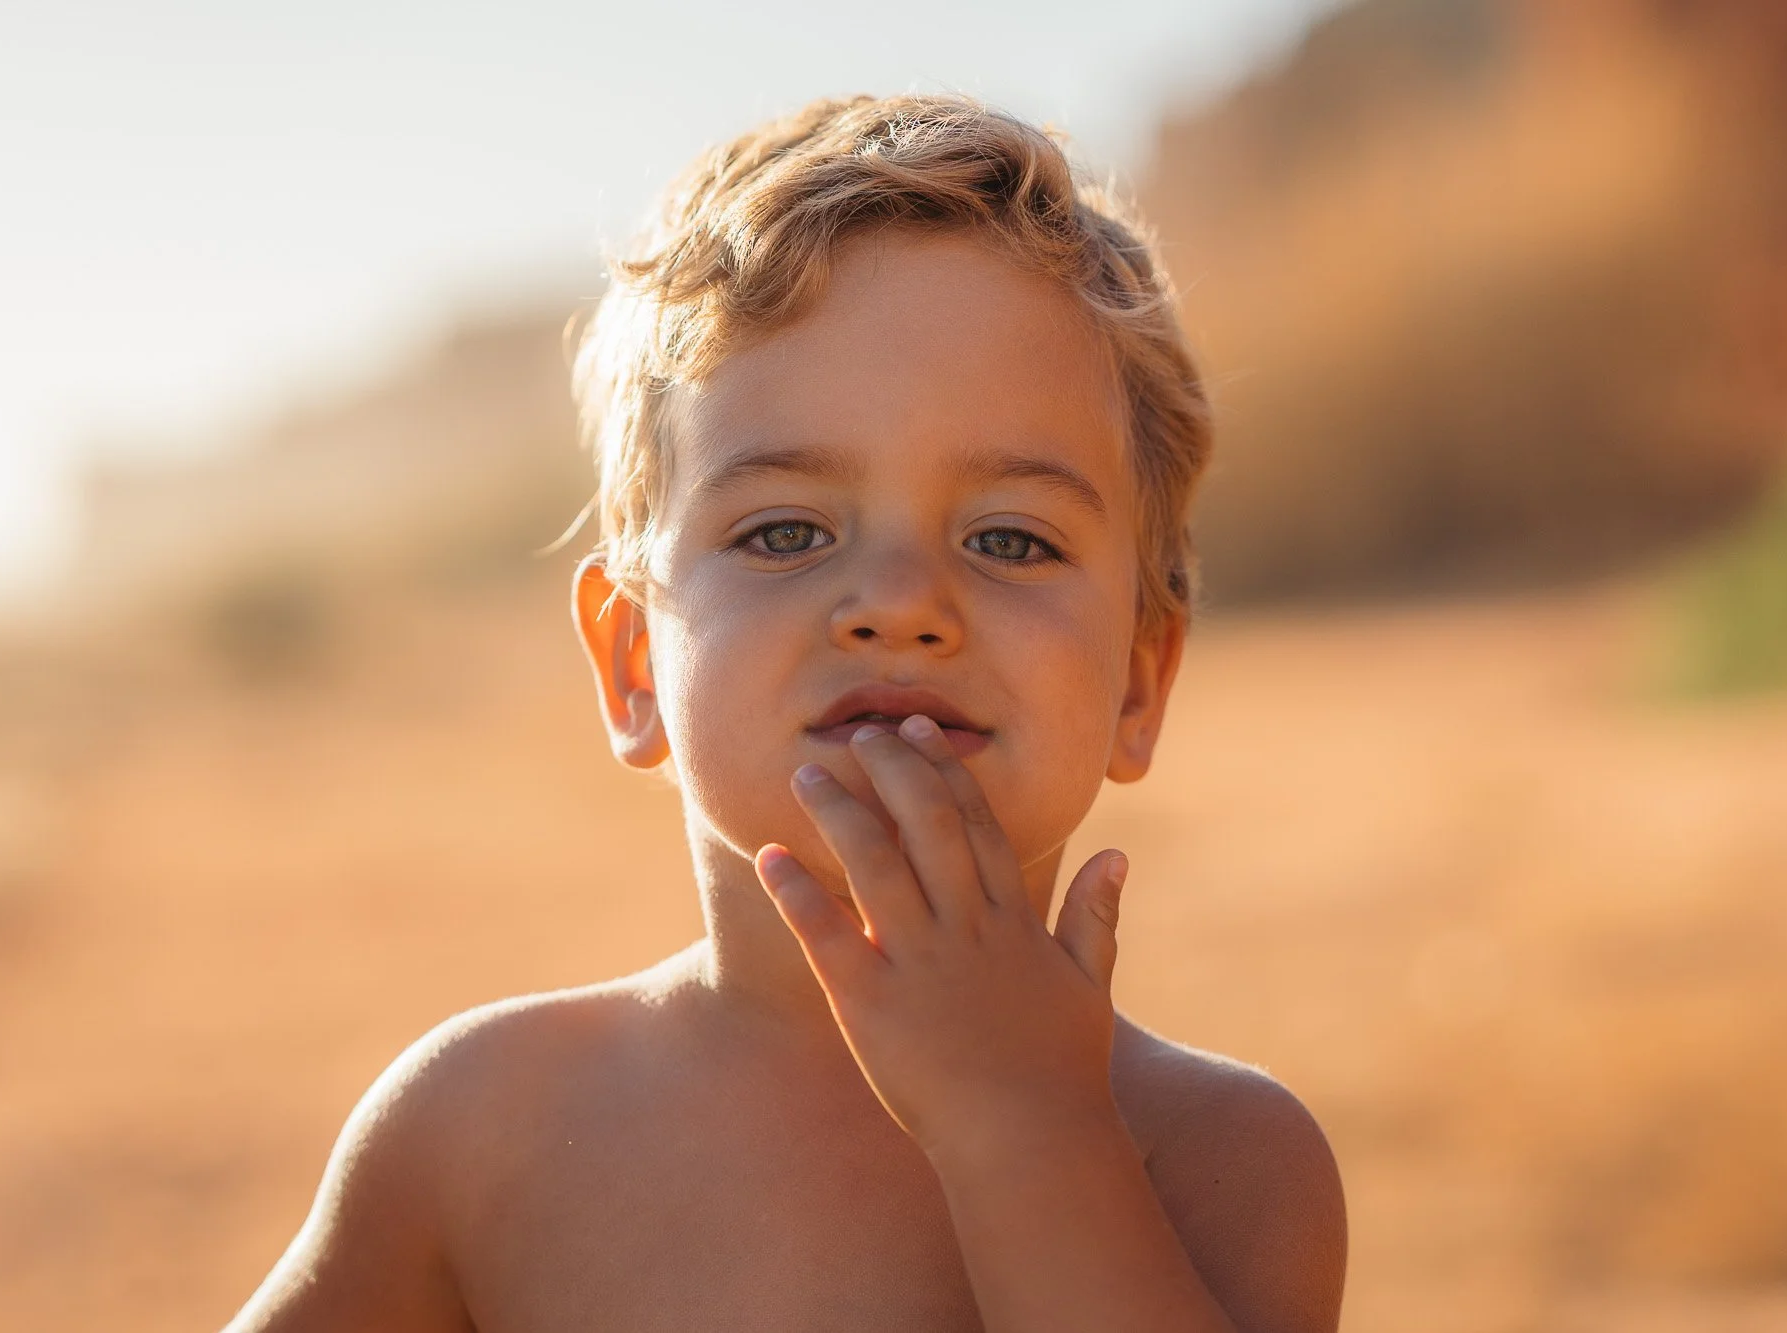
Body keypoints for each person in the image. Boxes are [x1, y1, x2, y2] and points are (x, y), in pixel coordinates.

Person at [226, 93, 1346, 1332]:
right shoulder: (483, 1129)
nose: (902, 603)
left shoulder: (1221, 1160)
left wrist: (1026, 1129)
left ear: (1139, 678)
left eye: (1009, 538)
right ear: (632, 662)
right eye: (783, 531)